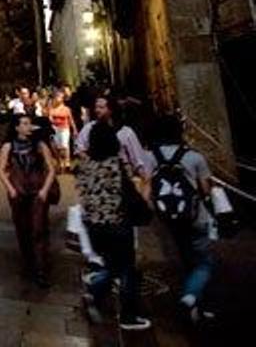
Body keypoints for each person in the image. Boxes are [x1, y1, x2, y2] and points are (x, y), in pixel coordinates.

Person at [77, 122, 151, 331]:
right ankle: (128, 315)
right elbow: (128, 195)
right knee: (127, 269)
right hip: (117, 225)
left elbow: (84, 195)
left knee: (113, 266)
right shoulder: (115, 164)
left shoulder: (85, 165)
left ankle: (95, 291)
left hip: (95, 227)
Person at [150, 114, 217, 325]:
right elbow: (206, 190)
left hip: (171, 218)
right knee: (205, 263)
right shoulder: (195, 157)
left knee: (187, 259)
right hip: (196, 216)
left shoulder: (152, 157)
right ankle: (190, 297)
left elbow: (147, 184)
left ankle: (198, 304)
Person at [0, 113, 57, 287]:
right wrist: (11, 189)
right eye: (24, 123)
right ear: (16, 127)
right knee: (22, 228)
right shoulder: (8, 146)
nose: (28, 127)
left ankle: (41, 269)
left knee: (39, 228)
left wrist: (45, 190)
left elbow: (51, 168)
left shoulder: (39, 145)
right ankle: (28, 262)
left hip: (37, 191)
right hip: (18, 191)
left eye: (29, 124)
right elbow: (0, 170)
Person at [47, 91, 74, 172]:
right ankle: (60, 162)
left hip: (64, 128)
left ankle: (67, 162)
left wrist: (74, 130)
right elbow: (50, 118)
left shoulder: (66, 109)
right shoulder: (52, 108)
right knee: (57, 147)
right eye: (57, 97)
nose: (58, 99)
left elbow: (71, 119)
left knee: (64, 145)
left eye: (60, 97)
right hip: (55, 129)